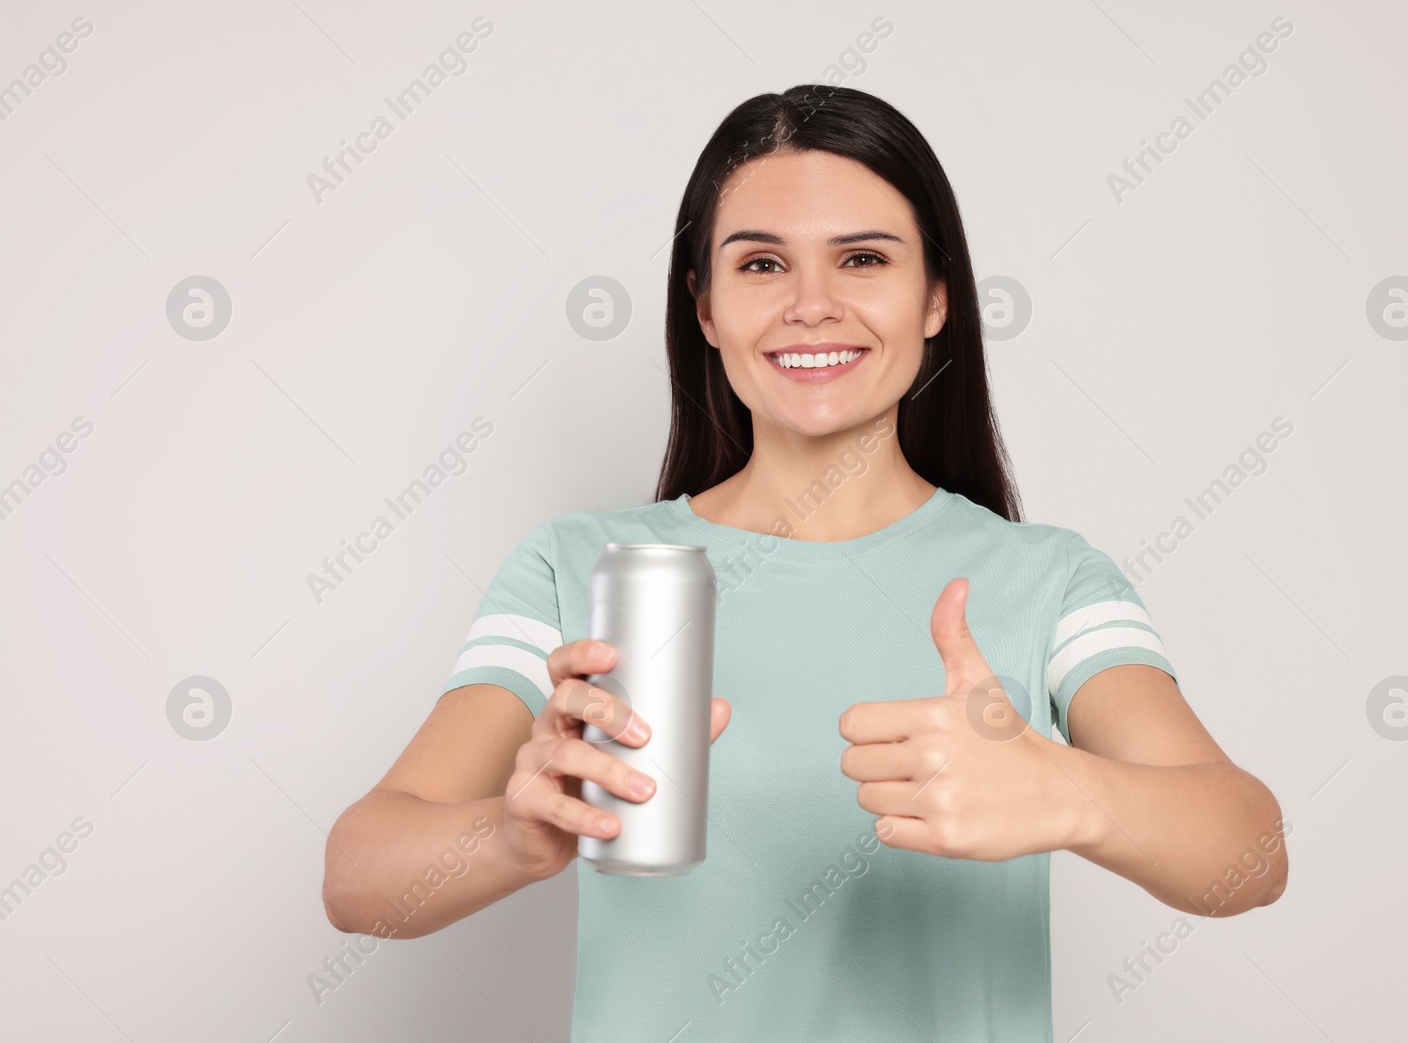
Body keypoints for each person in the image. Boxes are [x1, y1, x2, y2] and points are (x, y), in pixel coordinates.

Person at [322, 84, 1287, 1041]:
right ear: (704, 308)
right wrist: (512, 834)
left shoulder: (1051, 581)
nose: (811, 305)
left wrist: (1076, 794)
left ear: (938, 297)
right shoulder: (584, 571)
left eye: (863, 258)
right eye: (761, 264)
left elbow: (1251, 853)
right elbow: (357, 876)